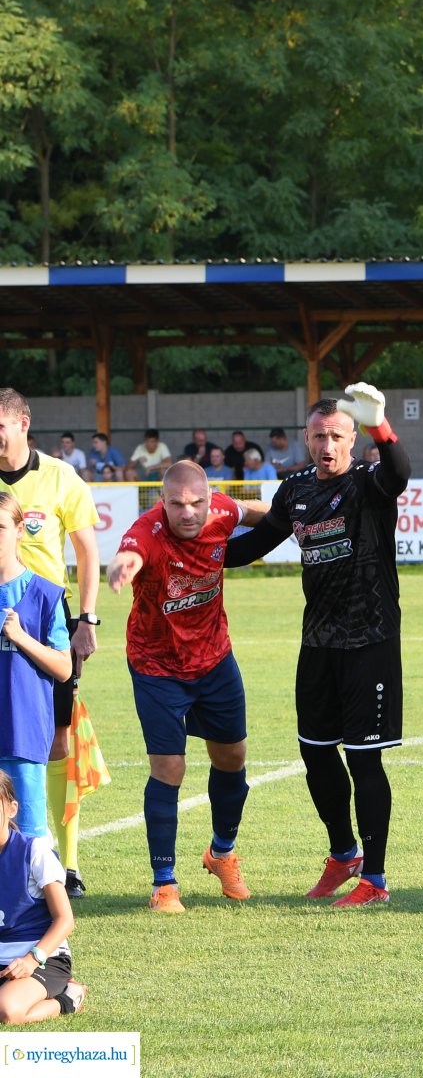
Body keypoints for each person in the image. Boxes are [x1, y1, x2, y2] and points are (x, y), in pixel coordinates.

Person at [221, 385, 410, 908]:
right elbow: (252, 547)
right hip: (318, 643)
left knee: (364, 760)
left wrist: (382, 427)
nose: (327, 444)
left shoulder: (370, 481)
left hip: (370, 639)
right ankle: (343, 852)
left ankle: (374, 878)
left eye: (337, 435)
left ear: (352, 438)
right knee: (316, 753)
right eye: (319, 435)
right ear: (306, 438)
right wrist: (191, 546)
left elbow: (399, 472)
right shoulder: (295, 489)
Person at [105, 464, 264, 912]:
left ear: (210, 499)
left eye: (197, 502)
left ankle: (222, 852)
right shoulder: (148, 533)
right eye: (177, 504)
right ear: (162, 502)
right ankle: (164, 883)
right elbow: (129, 552)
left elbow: (252, 511)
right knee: (169, 768)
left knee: (232, 757)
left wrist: (296, 516)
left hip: (214, 660)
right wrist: (123, 565)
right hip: (157, 666)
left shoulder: (222, 513)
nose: (189, 512)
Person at [0, 391, 99, 895]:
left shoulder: (61, 476)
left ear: (22, 423)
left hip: (45, 618)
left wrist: (87, 619)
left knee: (56, 741)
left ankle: (67, 860)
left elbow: (86, 550)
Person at [0, 492, 74, 840]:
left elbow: (63, 667)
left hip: (22, 732)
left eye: (0, 527)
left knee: (29, 838)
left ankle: (41, 895)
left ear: (18, 530)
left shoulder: (44, 594)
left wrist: (20, 637)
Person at [0, 770, 84, 1022]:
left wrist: (32, 959)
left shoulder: (34, 851)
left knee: (7, 1010)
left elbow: (65, 919)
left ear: (12, 808)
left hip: (42, 958)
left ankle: (68, 998)